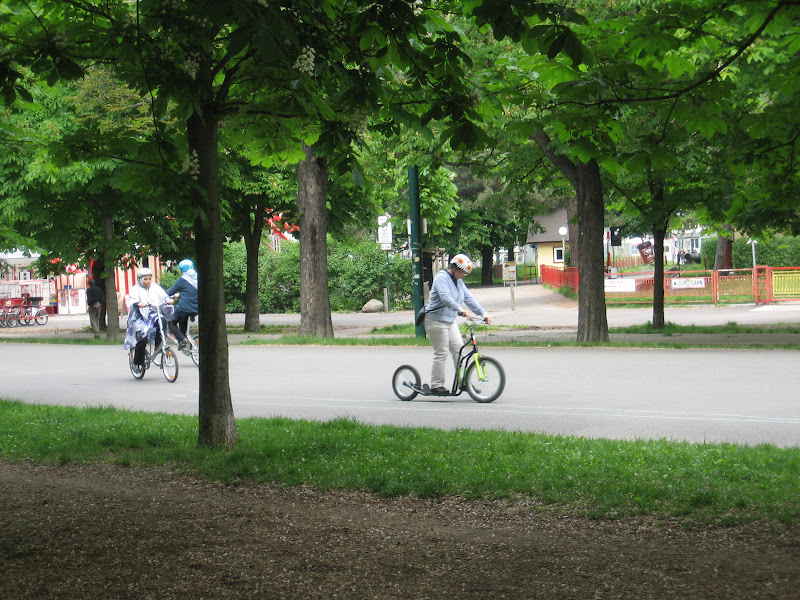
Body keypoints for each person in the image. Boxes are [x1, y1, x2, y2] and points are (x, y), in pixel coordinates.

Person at [423, 253, 492, 395]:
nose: (463, 275)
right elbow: (446, 298)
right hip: (435, 320)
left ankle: (463, 382)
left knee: (459, 350)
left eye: (465, 273)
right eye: (461, 271)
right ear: (453, 268)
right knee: (441, 352)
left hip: (449, 321)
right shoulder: (441, 278)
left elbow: (469, 298)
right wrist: (461, 310)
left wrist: (483, 313)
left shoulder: (459, 282)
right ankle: (436, 385)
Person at [123, 267, 173, 366]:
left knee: (162, 321)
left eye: (149, 279)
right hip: (138, 317)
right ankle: (138, 361)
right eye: (145, 279)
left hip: (153, 313)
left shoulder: (155, 287)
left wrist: (168, 300)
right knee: (143, 336)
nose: (148, 281)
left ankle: (158, 345)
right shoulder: (135, 289)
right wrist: (138, 303)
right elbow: (132, 300)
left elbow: (164, 296)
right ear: (140, 279)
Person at [166, 259, 198, 349]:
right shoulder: (197, 277)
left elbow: (169, 292)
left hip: (184, 307)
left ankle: (182, 340)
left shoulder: (183, 279)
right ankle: (183, 342)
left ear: (182, 270)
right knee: (182, 320)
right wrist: (180, 294)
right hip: (196, 308)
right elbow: (191, 291)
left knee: (170, 322)